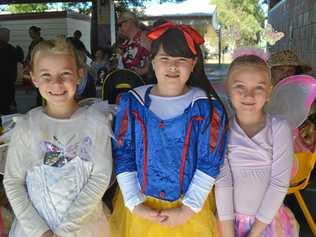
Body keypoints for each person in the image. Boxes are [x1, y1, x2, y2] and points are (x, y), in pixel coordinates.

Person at [110, 22, 228, 237]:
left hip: (189, 208)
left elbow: (209, 161)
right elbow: (123, 152)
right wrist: (133, 201)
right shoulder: (132, 103)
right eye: (164, 58)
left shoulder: (206, 107)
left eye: (182, 59)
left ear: (193, 64)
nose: (173, 66)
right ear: (152, 61)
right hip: (142, 207)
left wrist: (188, 208)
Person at [3, 38, 112, 237]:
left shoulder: (96, 122)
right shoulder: (26, 126)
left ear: (79, 75)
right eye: (46, 75)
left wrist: (65, 231)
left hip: (85, 228)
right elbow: (13, 181)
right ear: (33, 78)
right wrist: (41, 231)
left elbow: (100, 177)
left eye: (65, 74)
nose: (56, 83)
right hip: (35, 230)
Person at [215, 49, 299, 237]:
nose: (249, 95)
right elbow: (223, 182)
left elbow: (279, 183)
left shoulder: (279, 129)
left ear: (269, 91)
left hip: (267, 223)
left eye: (259, 87)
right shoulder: (222, 131)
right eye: (240, 87)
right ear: (228, 89)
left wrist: (255, 233)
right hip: (229, 224)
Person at [117, 11, 151, 81]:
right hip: (129, 84)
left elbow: (158, 58)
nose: (119, 28)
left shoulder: (144, 36)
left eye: (120, 25)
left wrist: (144, 70)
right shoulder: (126, 42)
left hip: (144, 84)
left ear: (130, 22)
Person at [0, 27, 18, 115]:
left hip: (7, 81)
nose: (8, 37)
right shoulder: (10, 49)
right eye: (7, 35)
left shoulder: (11, 49)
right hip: (6, 82)